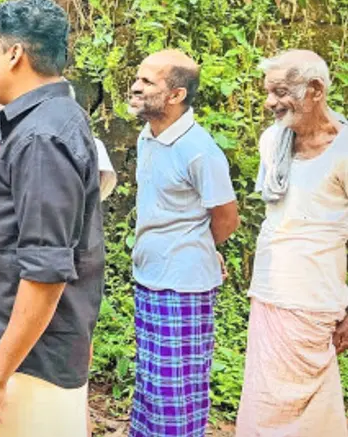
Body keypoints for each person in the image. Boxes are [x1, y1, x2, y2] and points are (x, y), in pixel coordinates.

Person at [0, 0, 104, 437]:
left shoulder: (42, 137)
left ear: (15, 54)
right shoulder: (48, 122)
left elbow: (45, 272)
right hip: (21, 357)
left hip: (27, 370)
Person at [125, 50, 239, 437]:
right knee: (151, 387)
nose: (135, 87)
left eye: (148, 82)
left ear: (176, 95)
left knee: (175, 394)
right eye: (137, 78)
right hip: (150, 278)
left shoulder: (199, 150)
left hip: (182, 287)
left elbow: (227, 217)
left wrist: (199, 248)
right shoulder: (148, 136)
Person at [236, 50, 348, 437]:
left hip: (315, 299)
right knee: (264, 400)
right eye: (269, 92)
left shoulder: (344, 150)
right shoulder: (273, 140)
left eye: (281, 92)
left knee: (311, 408)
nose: (270, 102)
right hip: (269, 292)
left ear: (315, 90)